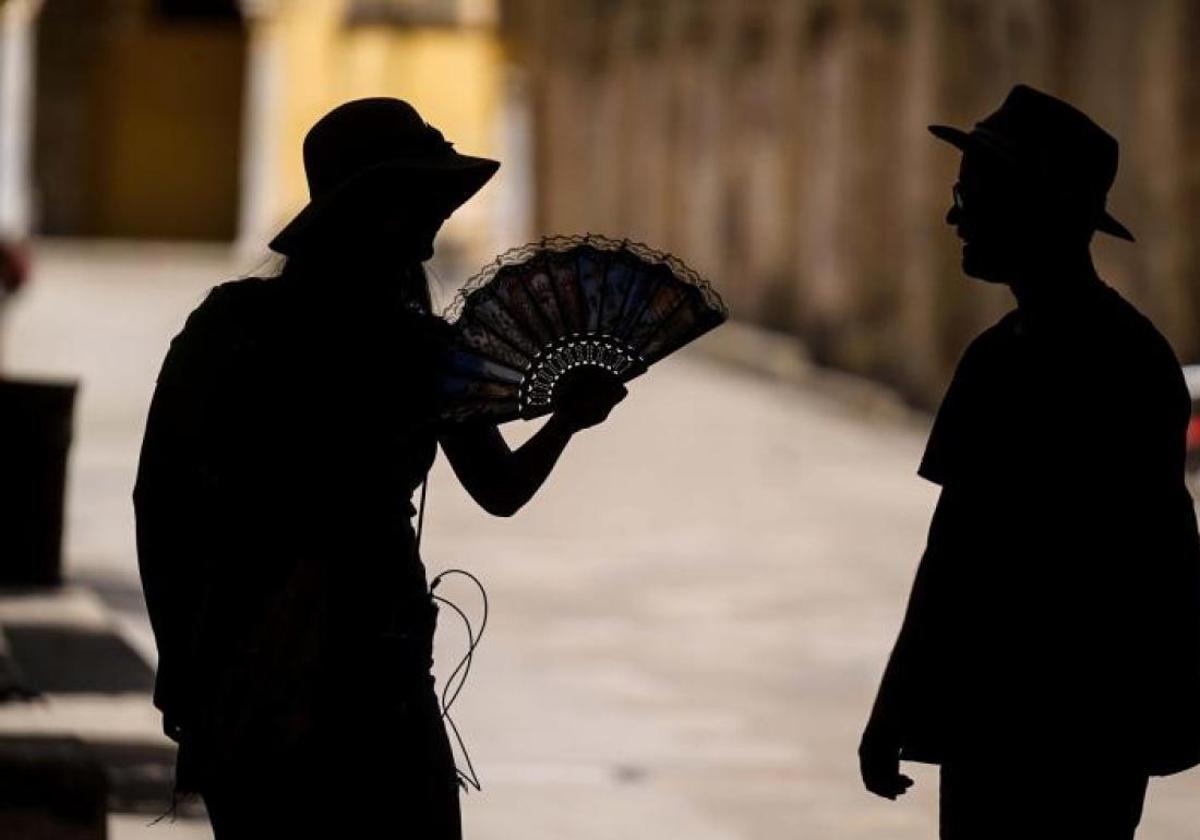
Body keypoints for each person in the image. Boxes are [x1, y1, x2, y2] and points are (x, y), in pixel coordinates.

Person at [133, 98, 626, 837]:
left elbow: (160, 505)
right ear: (385, 211)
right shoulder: (420, 350)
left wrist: (182, 670)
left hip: (253, 665)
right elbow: (500, 491)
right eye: (426, 208)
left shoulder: (229, 326)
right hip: (369, 667)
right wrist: (568, 422)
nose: (433, 240)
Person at [858, 85, 1200, 839]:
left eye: (973, 194)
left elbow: (965, 554)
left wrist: (896, 705)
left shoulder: (1089, 363)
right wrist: (895, 706)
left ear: (1037, 206)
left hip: (1063, 731)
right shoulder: (1065, 355)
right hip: (1032, 727)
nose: (955, 215)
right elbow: (953, 550)